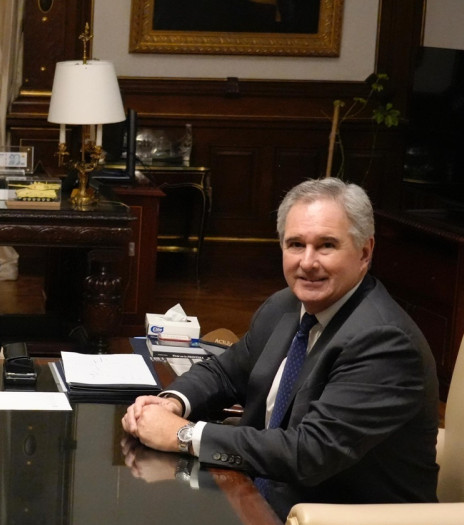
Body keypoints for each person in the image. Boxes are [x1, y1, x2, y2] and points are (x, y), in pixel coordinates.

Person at [122, 178, 439, 515]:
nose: (307, 262)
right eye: (296, 244)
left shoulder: (384, 341)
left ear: (364, 252)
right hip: (258, 494)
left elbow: (310, 453)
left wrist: (185, 435)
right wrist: (172, 403)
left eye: (327, 245)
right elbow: (224, 372)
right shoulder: (285, 305)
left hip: (335, 515)